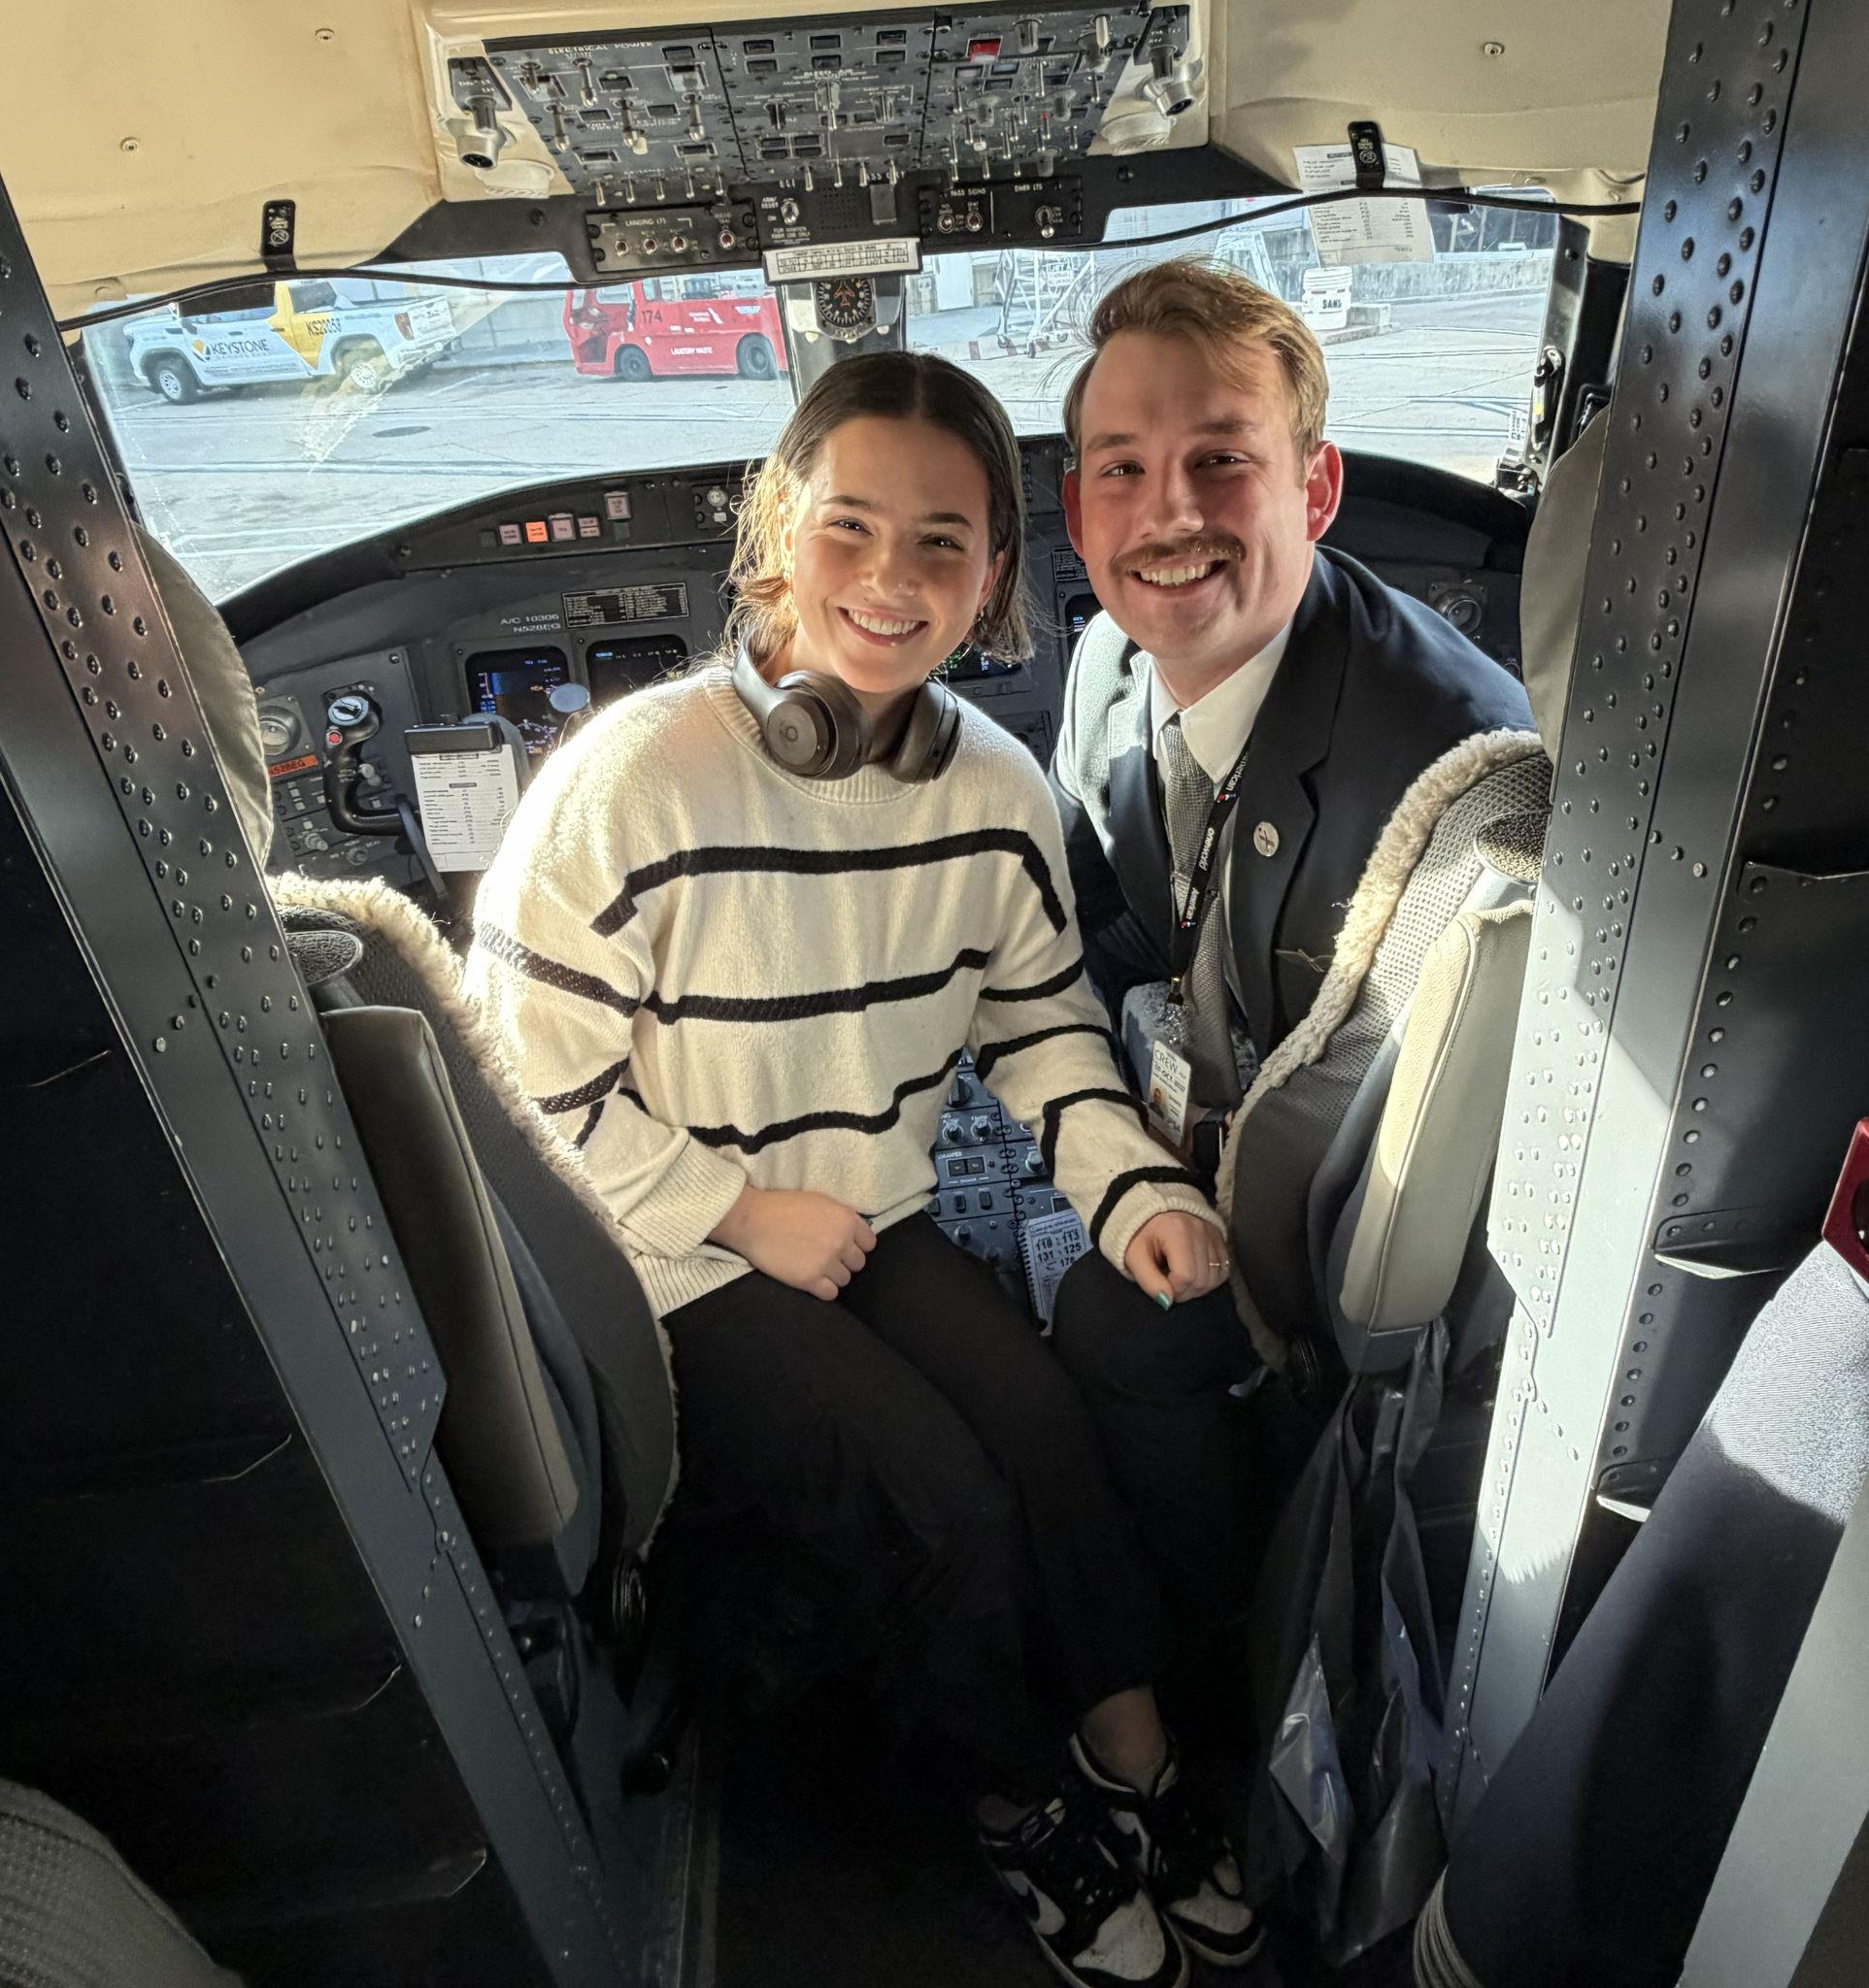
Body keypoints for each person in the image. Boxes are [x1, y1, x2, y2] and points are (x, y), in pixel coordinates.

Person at [466, 351, 1260, 1987]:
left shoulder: (993, 792)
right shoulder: (635, 773)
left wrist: (1138, 1194)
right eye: (850, 527)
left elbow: (1042, 1028)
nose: (890, 579)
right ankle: (1017, 1801)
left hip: (863, 1216)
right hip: (668, 1254)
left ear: (995, 575)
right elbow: (526, 1090)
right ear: (778, 527)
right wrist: (737, 1212)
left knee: (1042, 1421)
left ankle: (1130, 1750)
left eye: (942, 542)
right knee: (939, 1501)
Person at [1046, 260, 1537, 1645]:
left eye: (1222, 460)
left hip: (1322, 1217)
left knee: (1106, 1328)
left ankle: (1216, 1657)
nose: (1170, 514)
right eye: (1124, 469)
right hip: (1195, 1099)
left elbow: (1407, 1184)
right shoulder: (1108, 669)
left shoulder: (1445, 776)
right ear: (1078, 511)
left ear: (1314, 490)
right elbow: (1100, 920)